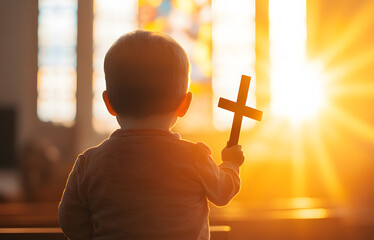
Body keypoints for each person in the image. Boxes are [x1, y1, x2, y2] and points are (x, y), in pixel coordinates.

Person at [58, 30, 244, 240]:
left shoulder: (89, 164)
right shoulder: (195, 158)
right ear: (184, 104)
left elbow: (69, 219)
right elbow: (223, 192)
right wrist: (231, 163)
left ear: (108, 102)